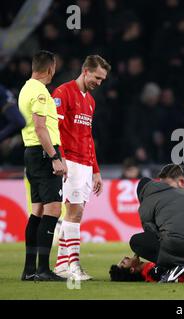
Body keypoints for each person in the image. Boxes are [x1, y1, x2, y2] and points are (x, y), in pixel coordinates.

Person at [52, 55, 111, 281]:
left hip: (85, 164)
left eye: (102, 79)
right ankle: (73, 265)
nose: (99, 82)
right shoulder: (62, 92)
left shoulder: (91, 101)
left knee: (76, 213)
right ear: (85, 71)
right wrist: (60, 158)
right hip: (71, 162)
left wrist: (95, 170)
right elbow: (53, 129)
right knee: (74, 213)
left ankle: (61, 265)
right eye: (97, 77)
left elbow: (88, 137)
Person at [18, 50, 67, 281]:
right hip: (43, 153)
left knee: (37, 211)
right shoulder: (39, 92)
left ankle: (29, 270)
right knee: (53, 209)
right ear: (50, 68)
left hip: (31, 152)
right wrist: (55, 156)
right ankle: (43, 270)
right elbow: (40, 127)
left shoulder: (26, 88)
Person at [133, 176, 184, 282]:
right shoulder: (182, 192)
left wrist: (161, 265)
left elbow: (152, 233)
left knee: (136, 241)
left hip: (181, 243)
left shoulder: (146, 204)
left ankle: (175, 264)